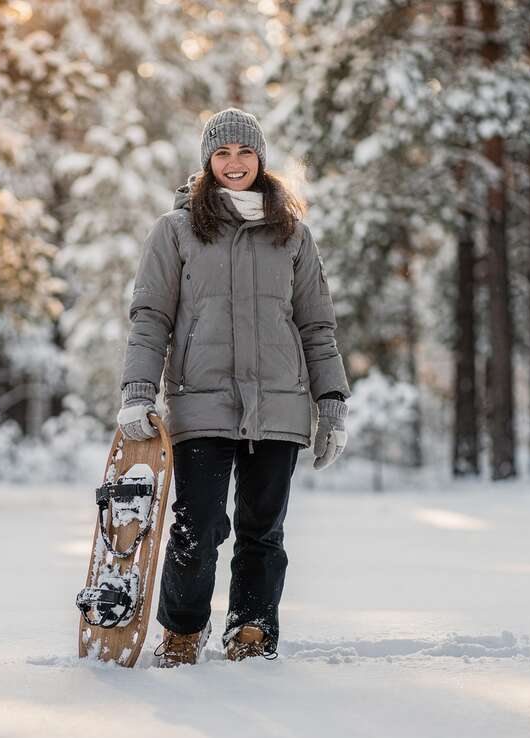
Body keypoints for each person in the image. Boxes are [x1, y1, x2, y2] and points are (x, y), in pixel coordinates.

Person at [115, 108, 351, 667]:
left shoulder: (292, 234)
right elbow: (150, 317)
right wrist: (138, 392)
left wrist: (332, 403)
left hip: (279, 406)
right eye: (222, 154)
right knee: (197, 526)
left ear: (261, 159)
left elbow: (317, 326)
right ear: (207, 162)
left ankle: (251, 628)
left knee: (263, 531)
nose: (234, 163)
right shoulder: (175, 231)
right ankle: (182, 631)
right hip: (201, 403)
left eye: (245, 152)